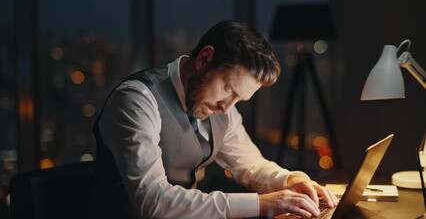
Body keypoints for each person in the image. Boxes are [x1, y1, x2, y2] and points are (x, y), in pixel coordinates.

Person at [89, 21, 338, 219]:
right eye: (228, 89)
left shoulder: (222, 107)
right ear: (204, 59)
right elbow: (154, 202)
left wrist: (290, 180)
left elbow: (250, 165)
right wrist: (263, 204)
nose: (227, 107)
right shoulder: (136, 99)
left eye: (238, 99)